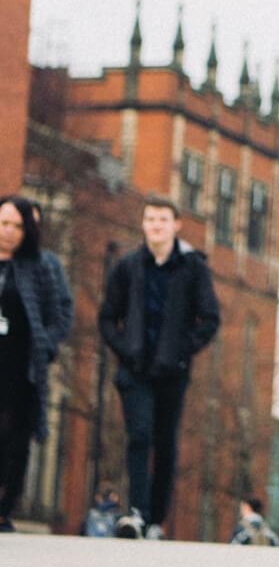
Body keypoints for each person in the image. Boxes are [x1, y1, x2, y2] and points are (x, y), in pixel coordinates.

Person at [97, 195, 220, 540]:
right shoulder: (128, 266)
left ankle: (155, 519)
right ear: (143, 224)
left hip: (171, 371)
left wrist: (184, 351)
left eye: (163, 220)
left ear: (176, 225)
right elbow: (108, 317)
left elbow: (209, 318)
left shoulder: (193, 268)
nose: (156, 225)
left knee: (165, 442)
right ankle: (136, 512)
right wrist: (123, 348)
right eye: (150, 219)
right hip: (135, 368)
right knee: (139, 435)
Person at [0, 194, 75, 533]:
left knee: (15, 438)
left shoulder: (43, 266)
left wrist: (45, 345)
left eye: (17, 225)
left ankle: (4, 506)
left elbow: (62, 311)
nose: (9, 232)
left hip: (21, 368)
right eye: (4, 223)